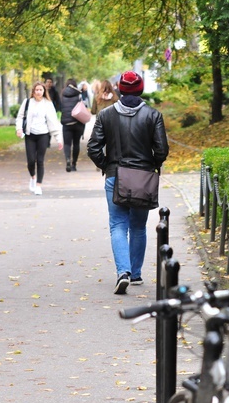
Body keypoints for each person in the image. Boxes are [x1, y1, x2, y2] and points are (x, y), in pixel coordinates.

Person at [87, 71, 169, 295]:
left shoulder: (106, 115)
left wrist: (107, 166)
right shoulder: (153, 115)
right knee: (138, 226)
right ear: (140, 89)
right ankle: (135, 274)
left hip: (115, 175)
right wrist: (152, 165)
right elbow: (162, 150)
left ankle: (122, 272)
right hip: (143, 178)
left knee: (118, 225)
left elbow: (93, 147)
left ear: (120, 90)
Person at [16, 81, 64, 195]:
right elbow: (20, 117)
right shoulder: (27, 102)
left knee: (40, 160)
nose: (38, 92)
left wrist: (59, 139)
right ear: (33, 91)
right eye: (36, 90)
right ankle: (33, 177)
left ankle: (38, 185)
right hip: (30, 135)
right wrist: (18, 129)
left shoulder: (48, 103)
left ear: (44, 91)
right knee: (31, 161)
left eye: (41, 90)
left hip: (43, 135)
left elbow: (53, 121)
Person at [59, 78, 85, 172]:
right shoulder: (78, 95)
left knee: (67, 143)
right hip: (77, 122)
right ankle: (74, 164)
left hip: (66, 123)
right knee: (76, 143)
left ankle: (68, 160)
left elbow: (60, 107)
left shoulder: (62, 95)